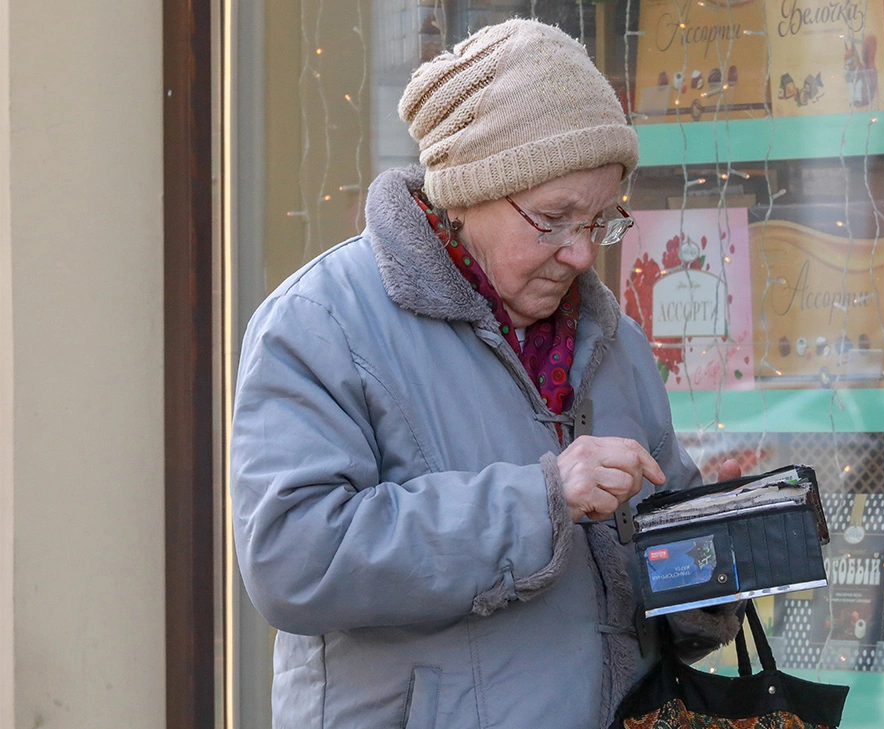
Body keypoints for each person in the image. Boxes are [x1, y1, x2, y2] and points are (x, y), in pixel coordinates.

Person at [231, 18, 742, 729]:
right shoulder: (321, 321)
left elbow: (655, 537)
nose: (578, 254)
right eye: (553, 218)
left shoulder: (612, 340)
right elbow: (294, 557)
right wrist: (540, 501)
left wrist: (725, 558)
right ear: (468, 190)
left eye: (599, 222)